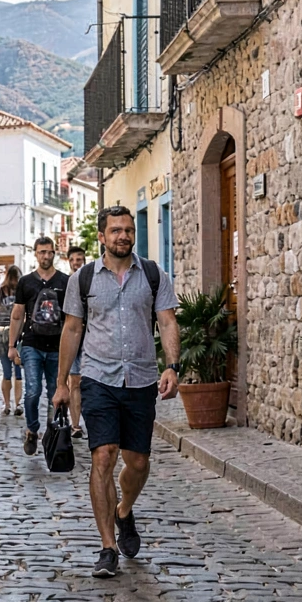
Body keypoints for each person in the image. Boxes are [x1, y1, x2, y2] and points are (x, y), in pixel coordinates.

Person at [54, 206, 180, 578]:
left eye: (128, 230)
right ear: (102, 237)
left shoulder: (154, 275)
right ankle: (107, 546)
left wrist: (172, 365)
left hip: (141, 379)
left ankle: (124, 510)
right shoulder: (84, 279)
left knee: (137, 463)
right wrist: (62, 383)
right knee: (103, 456)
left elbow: (168, 321)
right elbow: (73, 330)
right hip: (98, 378)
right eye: (115, 230)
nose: (123, 235)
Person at [8, 236, 69, 456]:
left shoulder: (65, 281)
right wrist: (12, 345)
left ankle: (53, 433)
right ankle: (32, 430)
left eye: (49, 252)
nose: (46, 256)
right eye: (42, 252)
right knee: (33, 390)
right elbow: (17, 314)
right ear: (35, 254)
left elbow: (71, 318)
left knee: (56, 392)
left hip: (57, 346)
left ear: (55, 254)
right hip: (32, 344)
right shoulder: (26, 282)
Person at [0, 266, 23, 416]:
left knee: (6, 372)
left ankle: (7, 404)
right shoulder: (21, 293)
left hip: (0, 334)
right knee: (18, 372)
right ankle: (18, 404)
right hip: (18, 335)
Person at [65, 246, 88, 439]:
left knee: (87, 382)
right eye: (73, 260)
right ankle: (75, 424)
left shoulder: (91, 281)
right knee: (74, 382)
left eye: (79, 259)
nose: (76, 263)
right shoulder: (66, 283)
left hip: (90, 339)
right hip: (73, 340)